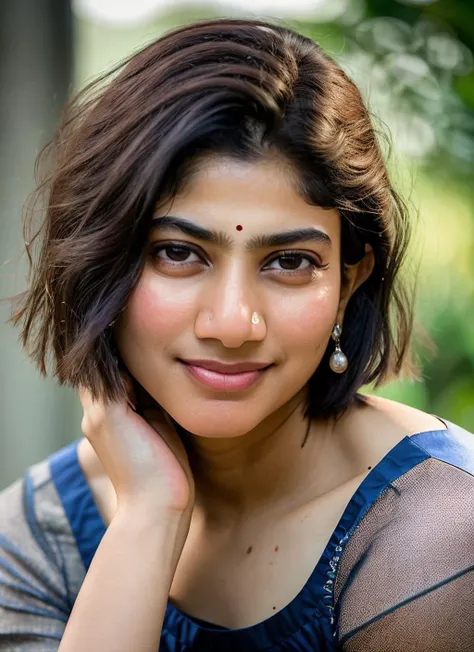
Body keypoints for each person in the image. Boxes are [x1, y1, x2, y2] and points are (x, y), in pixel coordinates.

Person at [0, 16, 473, 652]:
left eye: (289, 263)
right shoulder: (42, 530)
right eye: (177, 252)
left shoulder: (434, 540)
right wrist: (148, 518)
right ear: (100, 262)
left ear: (350, 282)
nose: (231, 324)